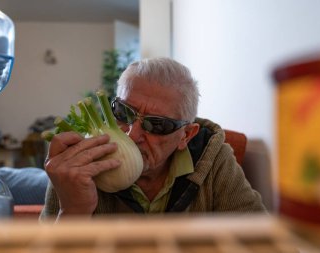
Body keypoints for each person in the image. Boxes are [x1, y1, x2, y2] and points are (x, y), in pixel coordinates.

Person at [40, 57, 266, 221]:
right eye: (123, 113)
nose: (132, 134)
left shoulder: (214, 159)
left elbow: (266, 243)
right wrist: (72, 212)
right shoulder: (77, 168)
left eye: (157, 124)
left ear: (186, 136)